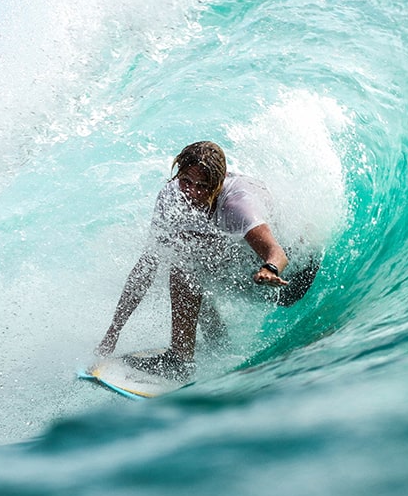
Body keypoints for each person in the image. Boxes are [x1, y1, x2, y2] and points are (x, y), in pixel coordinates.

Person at [96, 141, 319, 380]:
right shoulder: (171, 197)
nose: (191, 192)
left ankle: (180, 361)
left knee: (184, 266)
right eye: (186, 181)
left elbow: (277, 252)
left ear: (219, 182)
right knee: (184, 252)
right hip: (246, 269)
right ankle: (217, 342)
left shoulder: (237, 205)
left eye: (202, 186)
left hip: (289, 279)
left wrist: (270, 268)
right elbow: (146, 268)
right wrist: (113, 332)